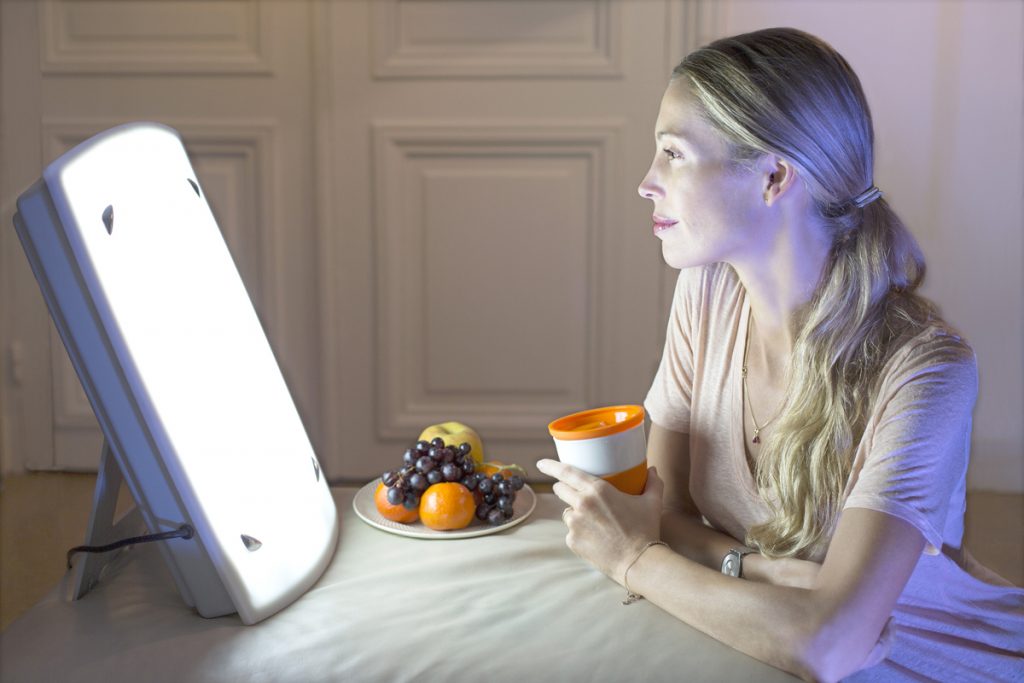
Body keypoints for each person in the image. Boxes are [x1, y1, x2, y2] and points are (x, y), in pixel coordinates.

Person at [537, 27, 1023, 682]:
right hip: (758, 641)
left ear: (773, 177)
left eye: (674, 154)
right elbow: (665, 511)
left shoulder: (927, 372)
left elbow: (829, 644)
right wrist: (760, 569)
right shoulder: (707, 292)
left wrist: (632, 558)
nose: (646, 183)